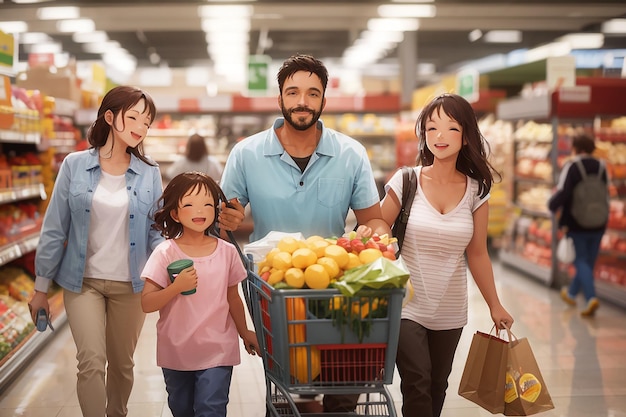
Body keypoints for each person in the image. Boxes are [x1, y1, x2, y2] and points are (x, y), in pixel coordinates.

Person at [219, 53, 391, 413]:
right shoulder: (246, 154)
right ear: (279, 98)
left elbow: (373, 220)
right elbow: (224, 219)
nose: (302, 101)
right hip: (273, 287)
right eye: (293, 92)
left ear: (324, 101)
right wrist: (227, 220)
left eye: (313, 93)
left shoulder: (351, 154)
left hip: (335, 282)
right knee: (288, 384)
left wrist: (376, 241)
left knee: (343, 379)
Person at [374, 93, 514, 417]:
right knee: (417, 381)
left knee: (438, 386)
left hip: (451, 309)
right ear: (423, 134)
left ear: (466, 136)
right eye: (431, 127)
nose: (439, 136)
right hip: (407, 303)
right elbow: (379, 222)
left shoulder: (477, 190)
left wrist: (495, 304)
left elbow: (478, 253)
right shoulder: (406, 180)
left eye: (451, 128)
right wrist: (378, 233)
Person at [29, 85, 163, 417]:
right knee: (90, 361)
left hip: (131, 286)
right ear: (109, 116)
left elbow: (155, 233)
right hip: (82, 283)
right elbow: (54, 228)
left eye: (146, 122)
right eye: (133, 117)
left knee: (122, 365)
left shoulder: (150, 173)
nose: (140, 127)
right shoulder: (74, 166)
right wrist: (40, 289)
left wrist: (173, 265)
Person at [140, 171, 258, 417]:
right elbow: (147, 303)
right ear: (175, 213)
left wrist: (244, 331)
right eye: (190, 204)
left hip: (218, 348)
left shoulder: (226, 252)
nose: (200, 211)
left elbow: (232, 297)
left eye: (207, 204)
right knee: (181, 409)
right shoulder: (165, 253)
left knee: (211, 410)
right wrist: (175, 287)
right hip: (176, 350)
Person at [548, 133, 608, 316]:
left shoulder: (573, 166)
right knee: (588, 261)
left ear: (577, 149)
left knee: (580, 260)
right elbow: (605, 193)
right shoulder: (601, 166)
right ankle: (572, 294)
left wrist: (551, 205)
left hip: (577, 222)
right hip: (599, 221)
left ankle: (591, 298)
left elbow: (564, 192)